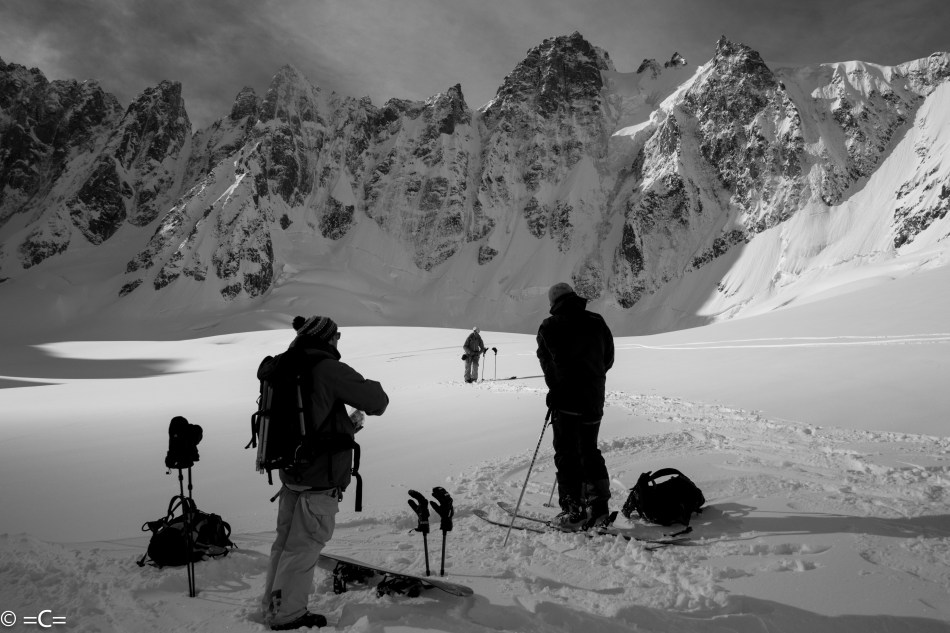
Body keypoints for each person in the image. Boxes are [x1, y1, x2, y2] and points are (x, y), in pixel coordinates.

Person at [262, 316, 389, 630]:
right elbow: (377, 400)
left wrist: (346, 425)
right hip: (318, 478)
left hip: (291, 473)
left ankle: (273, 605)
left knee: (285, 544)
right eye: (337, 336)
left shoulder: (287, 365)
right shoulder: (326, 368)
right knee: (303, 547)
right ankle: (288, 614)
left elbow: (313, 417)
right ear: (327, 338)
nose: (338, 342)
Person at [536, 282, 615, 530]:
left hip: (567, 401)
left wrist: (556, 391)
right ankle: (599, 507)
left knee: (567, 454)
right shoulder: (596, 320)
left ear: (554, 302)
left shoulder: (550, 326)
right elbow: (608, 358)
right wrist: (592, 379)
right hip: (594, 398)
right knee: (589, 450)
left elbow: (548, 364)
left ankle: (574, 510)